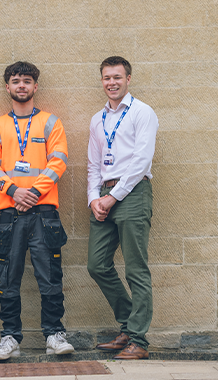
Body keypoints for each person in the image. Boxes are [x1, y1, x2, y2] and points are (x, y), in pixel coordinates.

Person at [0, 61, 73, 361]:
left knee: (50, 277)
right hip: (10, 213)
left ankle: (54, 335)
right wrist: (14, 191)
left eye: (27, 81)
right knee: (8, 279)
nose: (21, 85)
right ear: (7, 87)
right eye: (16, 81)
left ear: (35, 87)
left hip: (44, 212)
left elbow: (58, 160)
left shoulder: (50, 122)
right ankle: (10, 338)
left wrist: (32, 192)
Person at [86, 56, 159, 360]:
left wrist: (112, 197)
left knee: (136, 269)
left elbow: (140, 161)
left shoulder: (143, 113)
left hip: (132, 192)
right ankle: (130, 325)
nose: (111, 83)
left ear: (128, 78)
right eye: (106, 78)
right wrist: (94, 198)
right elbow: (92, 164)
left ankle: (138, 341)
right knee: (96, 264)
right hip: (104, 195)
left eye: (117, 77)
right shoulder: (97, 119)